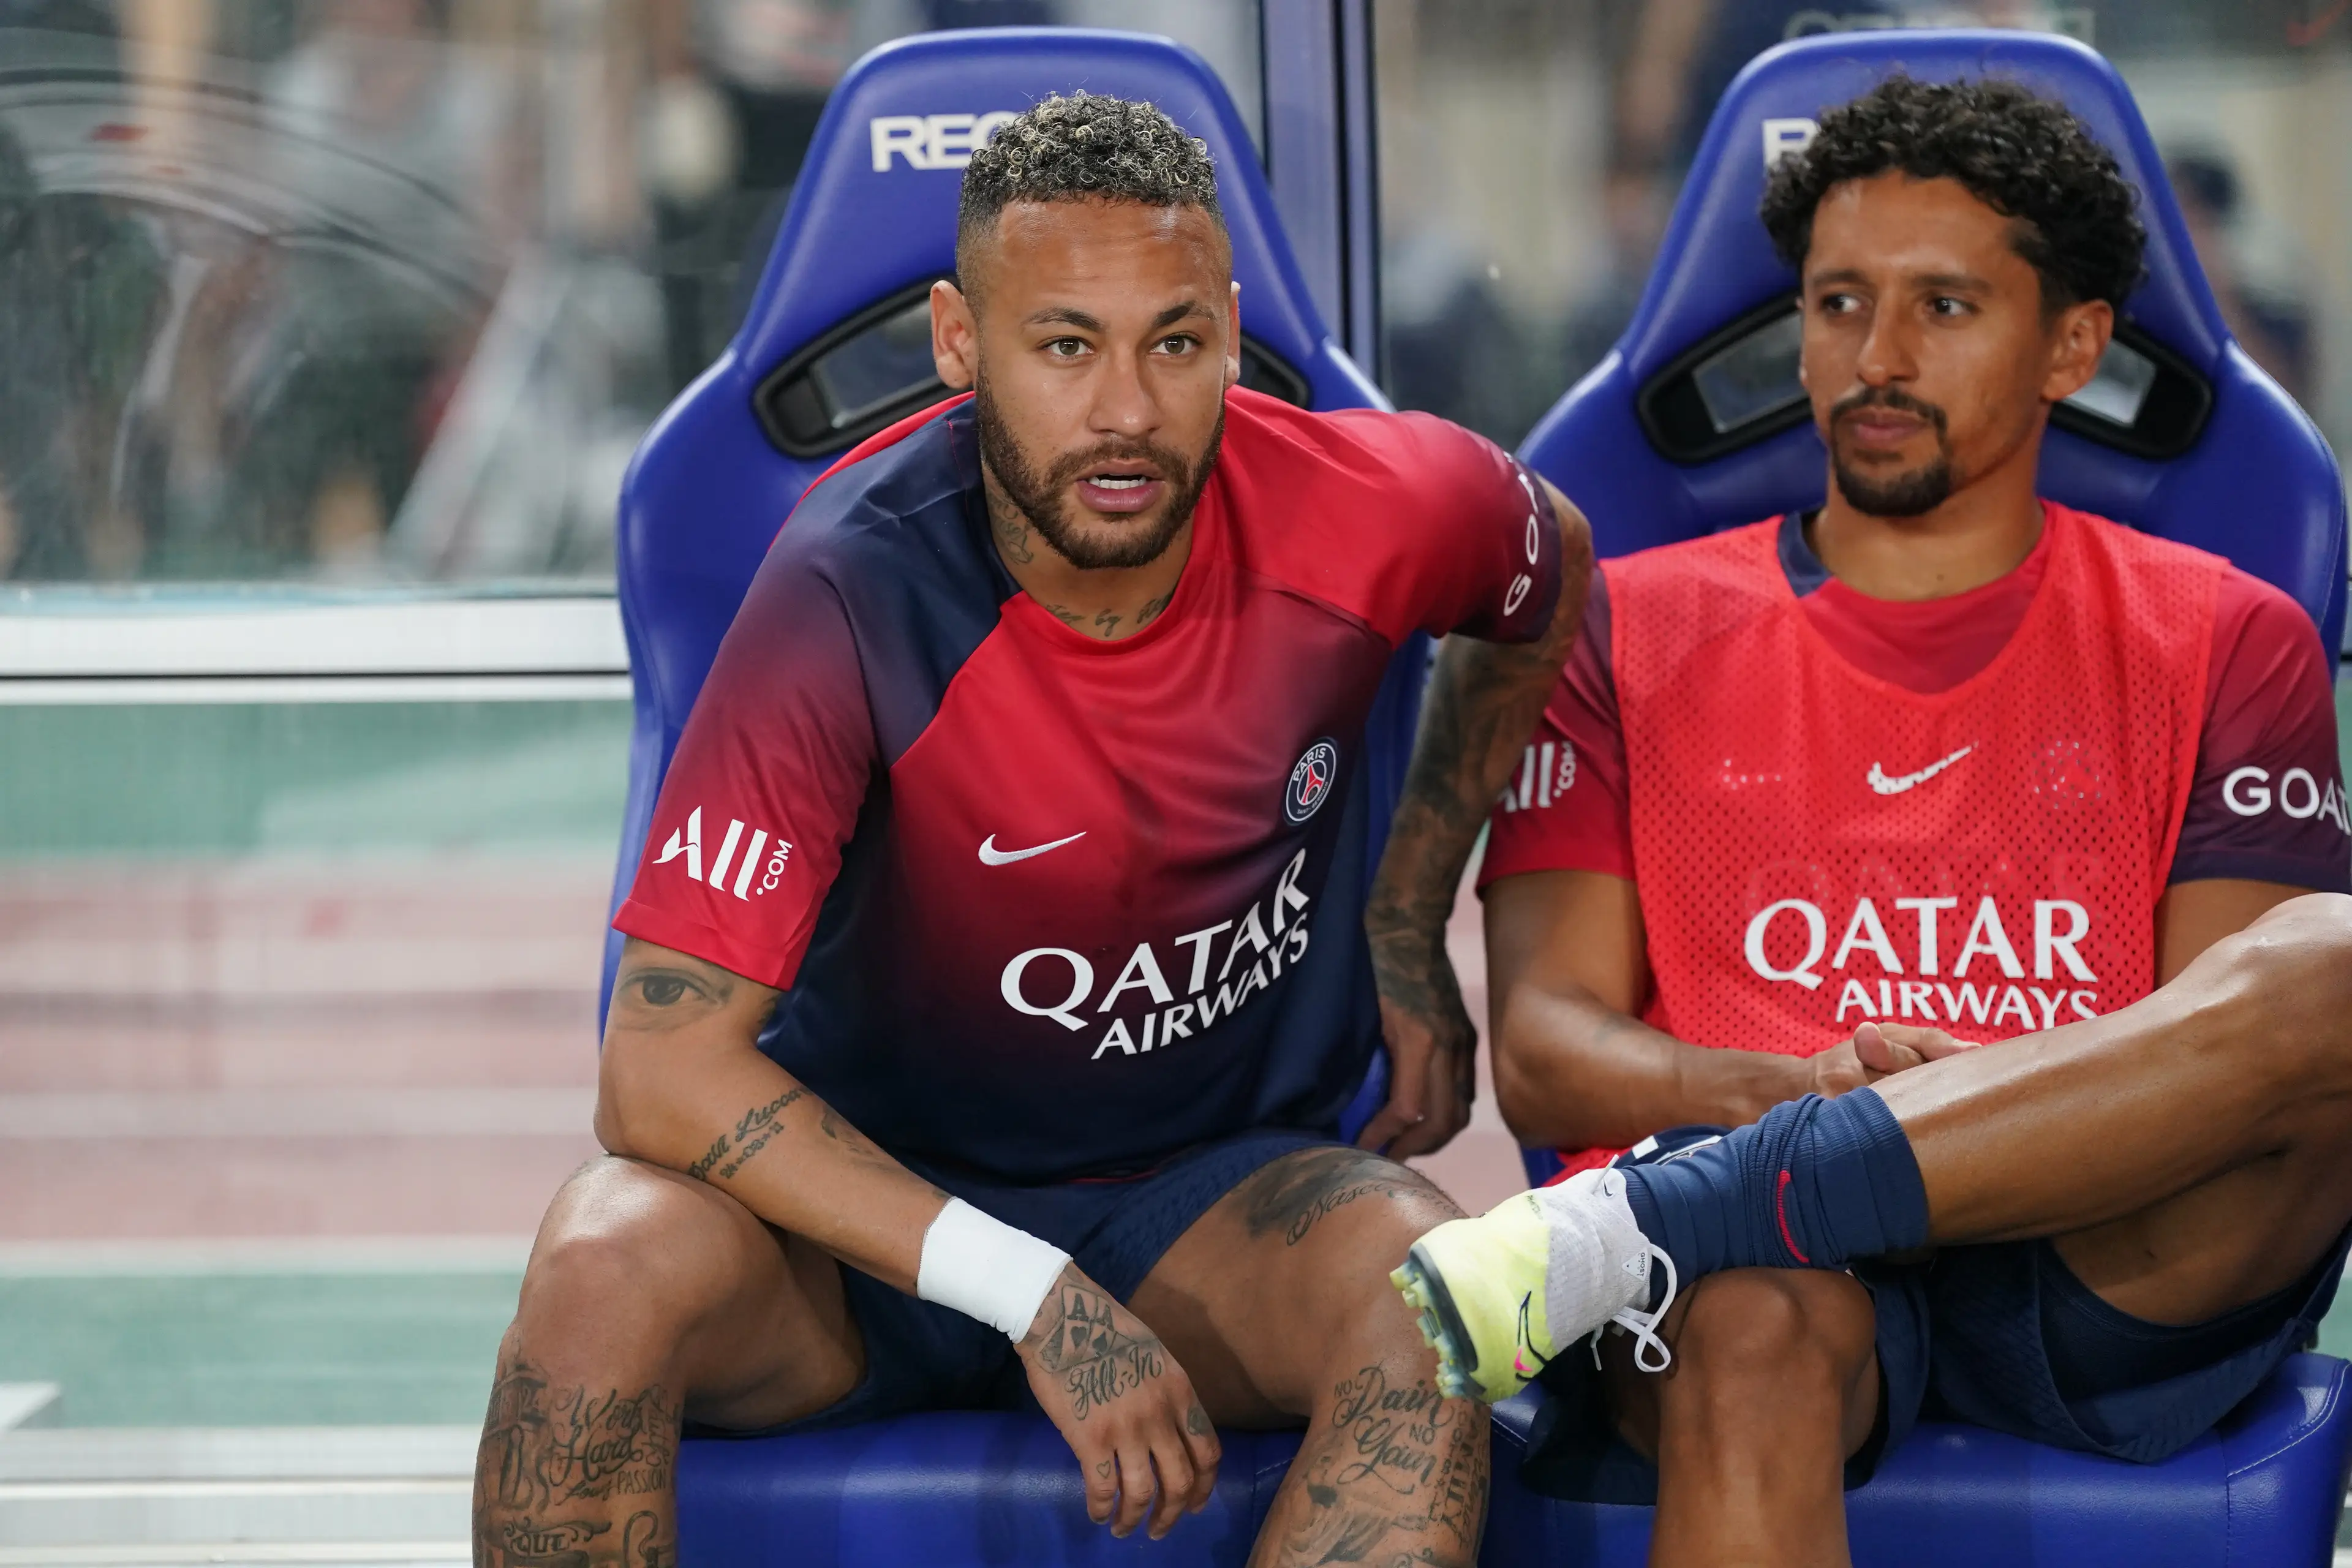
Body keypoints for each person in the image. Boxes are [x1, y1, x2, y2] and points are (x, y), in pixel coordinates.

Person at [472, 92, 1594, 1566]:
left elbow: (1551, 564)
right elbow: (657, 1067)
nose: (1125, 410)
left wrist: (1404, 911)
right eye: (1065, 345)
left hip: (1212, 1193)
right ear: (959, 342)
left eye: (1174, 343)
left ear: (1229, 330)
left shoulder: (1377, 501)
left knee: (1431, 1300)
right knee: (599, 1263)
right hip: (854, 1234)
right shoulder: (845, 588)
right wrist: (1030, 1290)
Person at [1393, 76, 2352, 1567]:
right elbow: (1545, 1052)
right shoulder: (1624, 626)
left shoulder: (2230, 635)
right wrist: (1800, 1091)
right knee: (1752, 1328)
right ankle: (1730, 1205)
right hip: (1750, 1270)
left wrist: (1967, 1104)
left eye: (1946, 307)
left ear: (2075, 345)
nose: (1875, 358)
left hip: (2093, 1244)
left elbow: (2232, 1075)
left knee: (2339, 974)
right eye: (1838, 302)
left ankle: (1696, 1208)